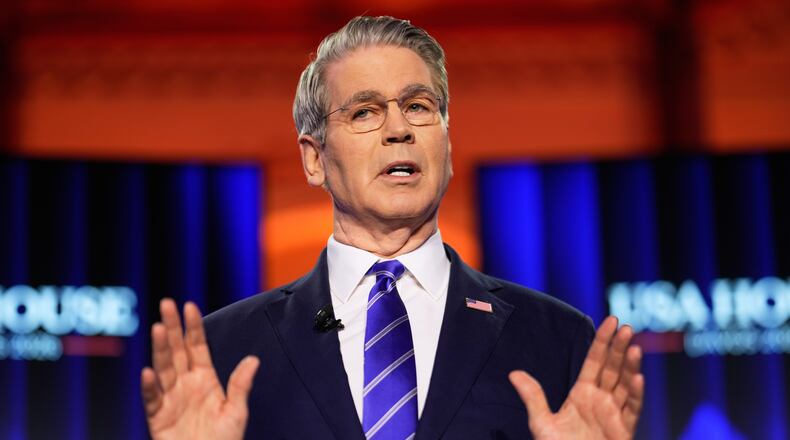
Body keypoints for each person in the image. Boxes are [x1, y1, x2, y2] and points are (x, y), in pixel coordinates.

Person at [140, 16, 644, 440]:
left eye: (419, 107)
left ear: (446, 144)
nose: (399, 129)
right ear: (314, 159)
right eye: (365, 112)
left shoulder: (555, 338)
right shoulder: (224, 350)